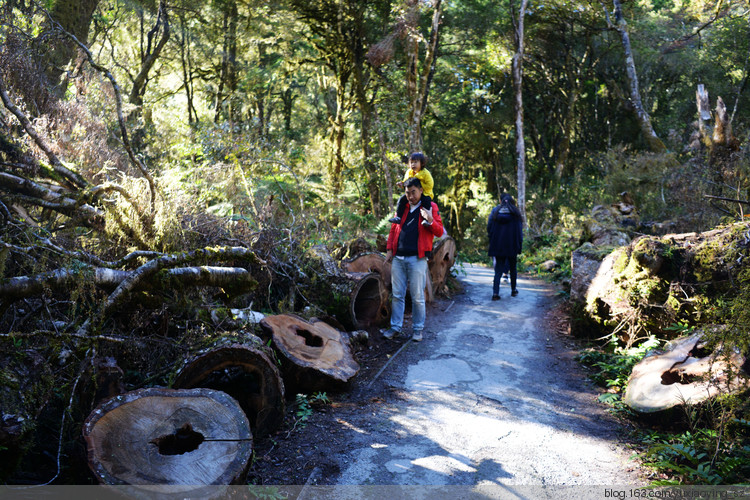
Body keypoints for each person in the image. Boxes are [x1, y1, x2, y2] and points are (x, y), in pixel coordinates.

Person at [381, 177, 444, 341]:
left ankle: (417, 329)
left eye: (413, 192)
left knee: (417, 296)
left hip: (417, 259)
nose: (410, 196)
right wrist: (389, 250)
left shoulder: (430, 207)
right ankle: (395, 327)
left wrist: (430, 219)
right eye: (407, 193)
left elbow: (439, 231)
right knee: (397, 295)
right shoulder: (403, 207)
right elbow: (393, 230)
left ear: (421, 190)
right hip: (399, 258)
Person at [487, 193, 523, 300]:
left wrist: (492, 239)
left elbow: (489, 227)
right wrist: (519, 245)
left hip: (498, 244)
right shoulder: (516, 213)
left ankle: (495, 293)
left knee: (498, 269)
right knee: (513, 268)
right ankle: (513, 290)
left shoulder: (495, 211)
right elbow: (520, 232)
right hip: (512, 244)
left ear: (501, 201)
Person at [388, 152, 434, 225]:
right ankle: (398, 217)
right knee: (401, 200)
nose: (413, 164)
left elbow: (430, 185)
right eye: (411, 162)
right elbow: (406, 182)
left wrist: (419, 184)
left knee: (426, 201)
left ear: (421, 163)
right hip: (412, 193)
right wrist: (402, 183)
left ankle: (427, 220)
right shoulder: (409, 172)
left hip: (425, 193)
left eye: (415, 162)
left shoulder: (425, 173)